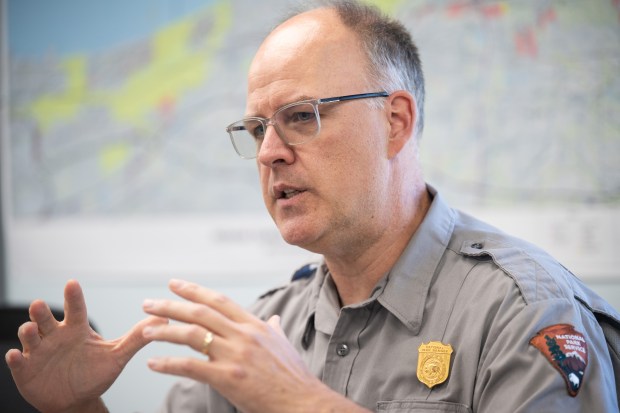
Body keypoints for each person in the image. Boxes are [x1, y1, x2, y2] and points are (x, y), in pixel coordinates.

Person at [5, 1, 620, 412]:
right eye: (255, 129)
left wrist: (301, 402)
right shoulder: (268, 324)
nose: (269, 152)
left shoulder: (525, 311)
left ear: (396, 122)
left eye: (301, 117)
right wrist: (82, 408)